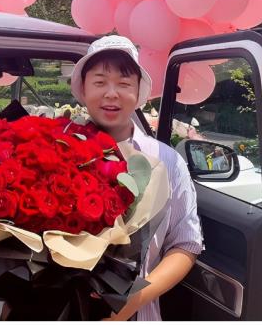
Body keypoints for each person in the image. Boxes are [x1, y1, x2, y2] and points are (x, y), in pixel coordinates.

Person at [70, 35, 203, 321]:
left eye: (124, 83)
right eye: (100, 82)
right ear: (83, 88)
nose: (111, 93)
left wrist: (131, 302)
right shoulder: (58, 150)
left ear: (139, 90)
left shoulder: (167, 161)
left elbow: (186, 244)